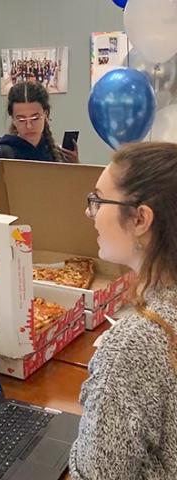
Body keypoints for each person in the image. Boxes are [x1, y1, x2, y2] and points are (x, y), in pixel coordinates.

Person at [69, 142, 177, 480]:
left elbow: (95, 475)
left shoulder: (136, 341)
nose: (90, 213)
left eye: (98, 201)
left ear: (141, 218)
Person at [0, 81, 78, 211]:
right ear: (13, 119)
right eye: (21, 119)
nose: (29, 126)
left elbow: (71, 201)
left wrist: (75, 169)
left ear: (46, 114)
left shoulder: (56, 153)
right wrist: (9, 192)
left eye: (35, 118)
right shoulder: (0, 156)